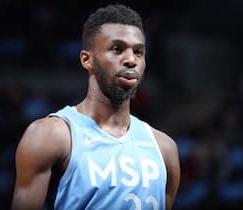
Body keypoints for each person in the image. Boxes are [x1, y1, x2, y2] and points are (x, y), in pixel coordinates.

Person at [11, 4, 180, 210]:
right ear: (87, 59)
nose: (130, 60)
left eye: (138, 52)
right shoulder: (51, 136)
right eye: (117, 49)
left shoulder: (165, 149)